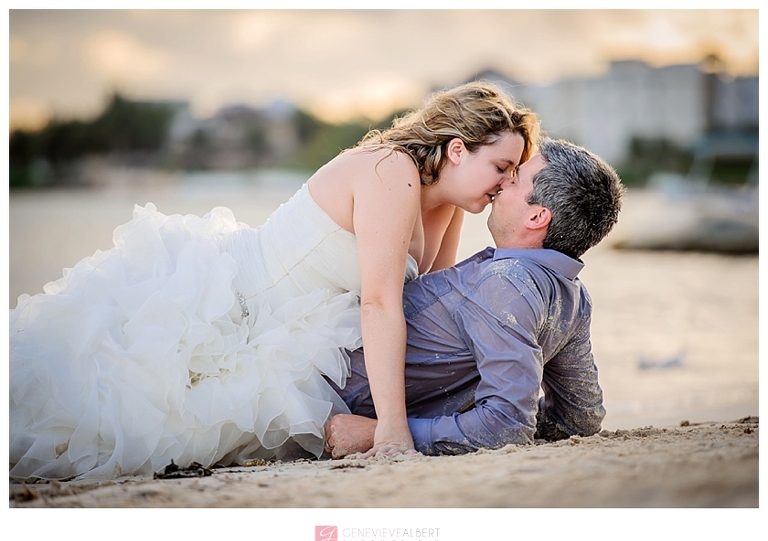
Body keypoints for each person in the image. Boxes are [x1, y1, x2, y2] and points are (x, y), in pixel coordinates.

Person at [9, 81, 540, 480]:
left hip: (288, 334)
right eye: (501, 166)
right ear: (455, 149)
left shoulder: (445, 205)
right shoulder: (390, 168)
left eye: (515, 173)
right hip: (226, 310)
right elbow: (379, 303)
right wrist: (394, 432)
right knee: (88, 416)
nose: (507, 183)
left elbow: (428, 313)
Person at [324, 137, 625, 458]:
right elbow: (579, 418)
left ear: (537, 217)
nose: (503, 182)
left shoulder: (507, 282)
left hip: (322, 397)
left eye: (516, 179)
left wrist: (385, 431)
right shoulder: (574, 297)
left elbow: (507, 425)